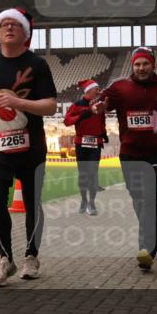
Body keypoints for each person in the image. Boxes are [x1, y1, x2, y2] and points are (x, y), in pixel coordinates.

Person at [92, 46, 157, 271]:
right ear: (133, 66)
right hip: (129, 154)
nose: (141, 68)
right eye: (137, 64)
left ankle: (147, 249)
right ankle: (147, 236)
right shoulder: (119, 87)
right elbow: (103, 100)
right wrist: (100, 105)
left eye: (145, 64)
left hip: (155, 153)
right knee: (138, 199)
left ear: (153, 65)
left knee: (150, 198)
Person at [0, 7, 58, 286]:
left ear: (25, 33)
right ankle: (5, 259)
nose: (8, 28)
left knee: (32, 201)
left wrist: (19, 103)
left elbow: (50, 106)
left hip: (31, 143)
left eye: (15, 24)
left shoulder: (38, 65)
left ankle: (31, 256)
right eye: (4, 24)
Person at [64, 79, 107, 215]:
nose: (98, 90)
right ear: (88, 90)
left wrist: (104, 133)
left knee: (93, 174)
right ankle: (83, 200)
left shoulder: (99, 105)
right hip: (81, 143)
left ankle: (92, 203)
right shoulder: (77, 105)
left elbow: (102, 121)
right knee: (83, 175)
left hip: (95, 143)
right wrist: (82, 115)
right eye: (96, 88)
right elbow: (67, 121)